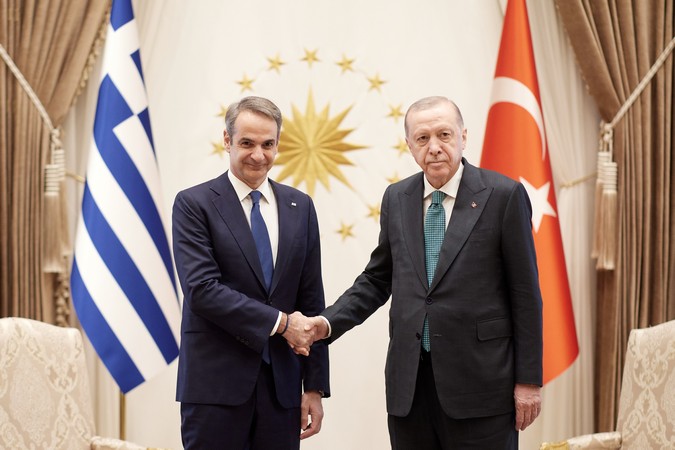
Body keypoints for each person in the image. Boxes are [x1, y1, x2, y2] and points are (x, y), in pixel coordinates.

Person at [307, 96, 543, 449]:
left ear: (463, 136)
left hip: (482, 387)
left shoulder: (503, 195)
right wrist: (326, 323)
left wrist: (529, 381)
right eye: (422, 138)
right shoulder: (396, 198)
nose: (434, 147)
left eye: (444, 135)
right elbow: (376, 279)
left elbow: (525, 294)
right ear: (409, 145)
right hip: (411, 389)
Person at [172, 96, 329, 450]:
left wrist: (315, 387)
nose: (258, 155)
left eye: (267, 144)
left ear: (278, 144)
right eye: (247, 143)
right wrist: (282, 323)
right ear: (227, 140)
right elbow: (202, 289)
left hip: (282, 391)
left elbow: (311, 299)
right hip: (216, 390)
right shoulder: (194, 204)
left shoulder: (300, 207)